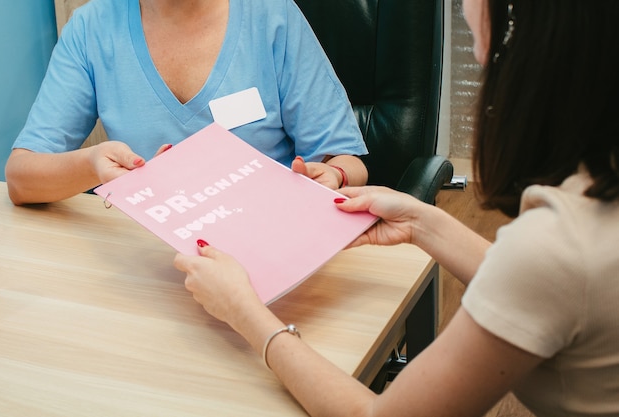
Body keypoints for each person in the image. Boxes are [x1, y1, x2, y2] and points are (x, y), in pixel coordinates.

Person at [173, 0, 619, 415]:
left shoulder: (557, 246)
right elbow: (544, 286)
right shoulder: (584, 218)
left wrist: (244, 311)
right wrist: (422, 220)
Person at [5, 0, 368, 205]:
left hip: (267, 242)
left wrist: (333, 175)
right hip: (153, 258)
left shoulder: (272, 16)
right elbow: (21, 179)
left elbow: (347, 161)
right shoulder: (92, 28)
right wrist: (91, 164)